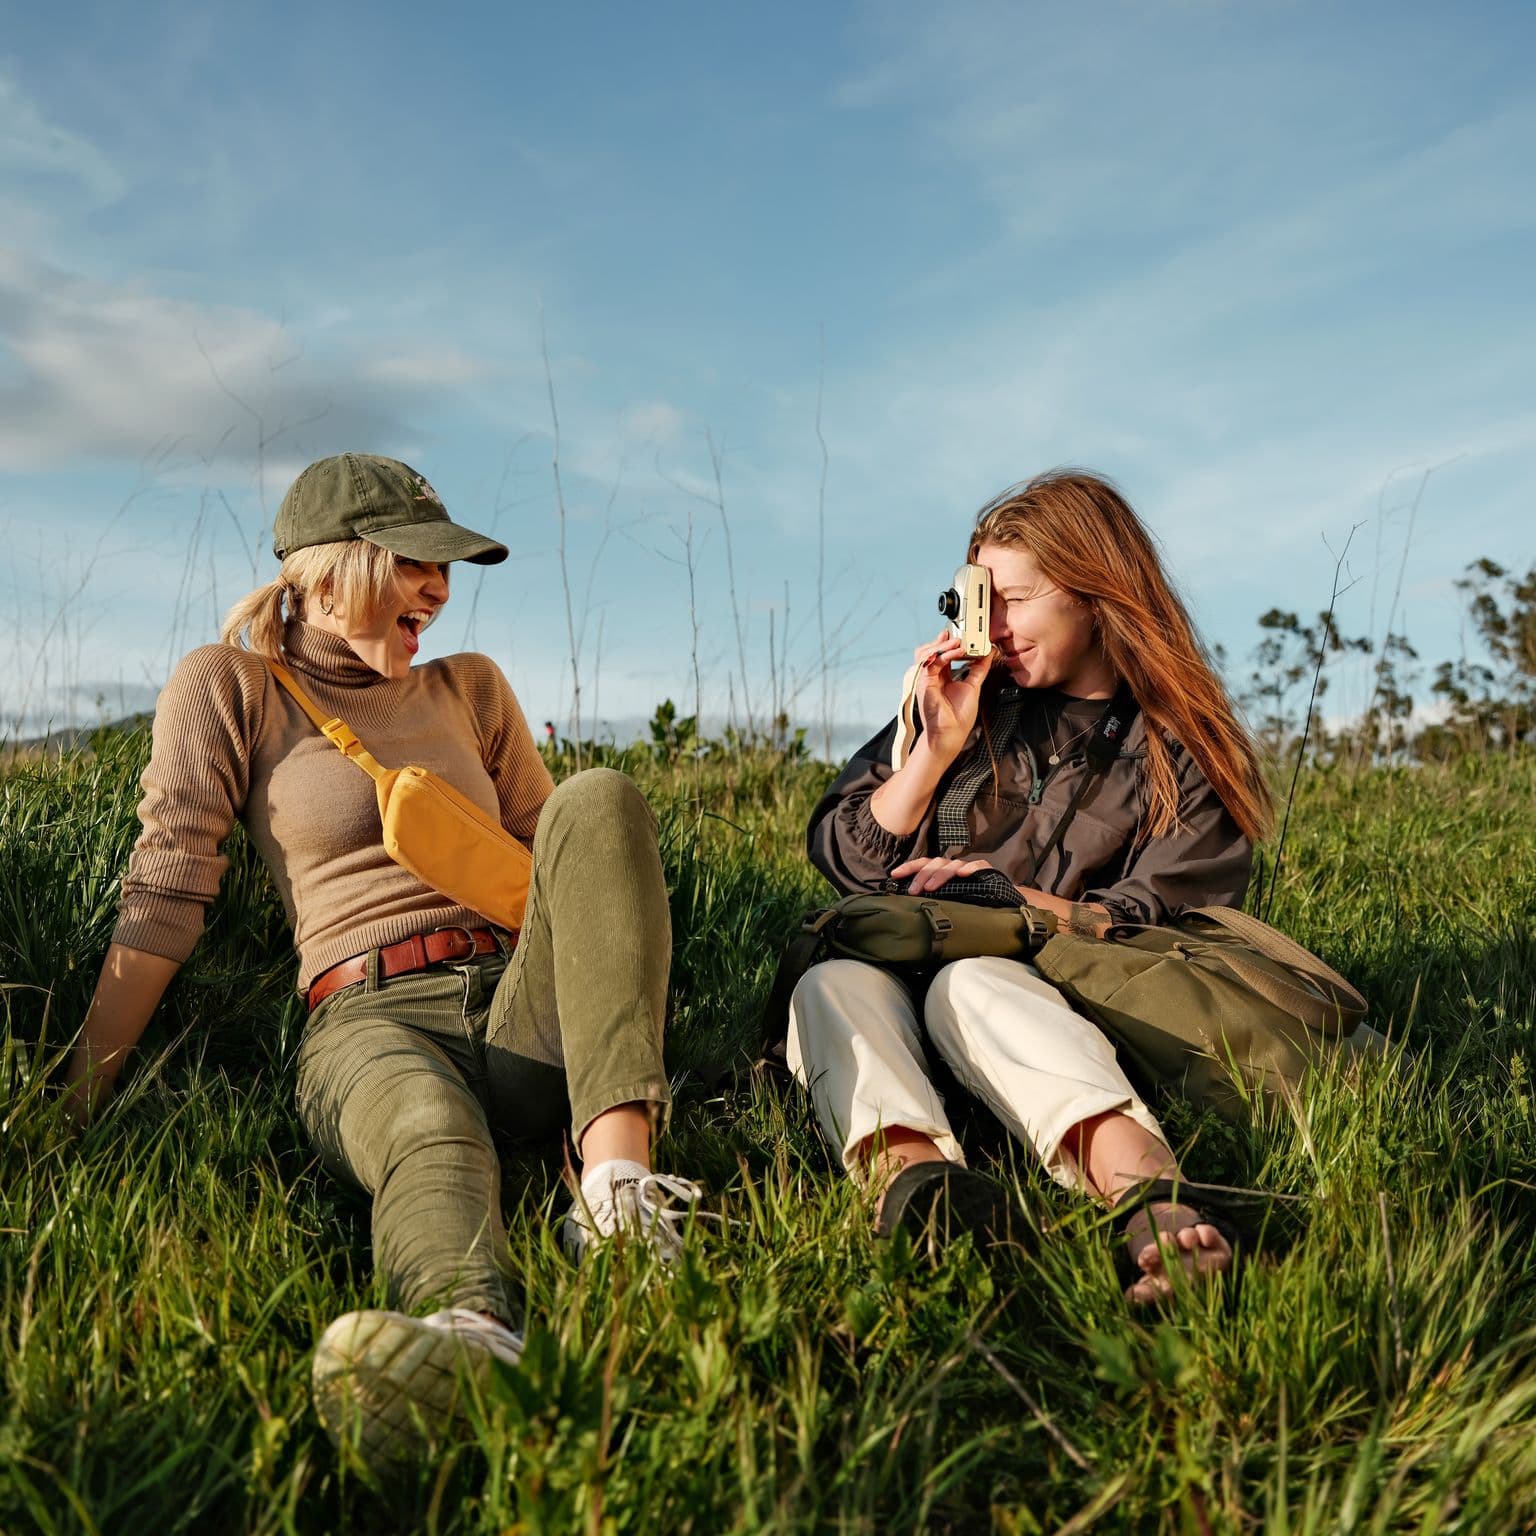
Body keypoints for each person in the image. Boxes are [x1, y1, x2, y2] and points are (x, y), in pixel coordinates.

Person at [63, 453, 701, 1463]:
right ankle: (465, 1339)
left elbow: (570, 869)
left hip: (520, 1002)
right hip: (369, 1017)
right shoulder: (232, 687)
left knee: (600, 800)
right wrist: (77, 1093)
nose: (440, 589)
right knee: (426, 1127)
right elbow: (170, 883)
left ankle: (618, 1201)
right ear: (327, 571)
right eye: (415, 563)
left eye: (447, 569)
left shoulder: (471, 688)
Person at [787, 469, 1273, 1304]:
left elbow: (1163, 914)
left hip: (1046, 1008)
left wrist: (1012, 904)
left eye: (1016, 599)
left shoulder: (1175, 742)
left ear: (1094, 591)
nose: (995, 628)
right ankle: (925, 1197)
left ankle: (1154, 1200)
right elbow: (851, 864)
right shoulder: (966, 703)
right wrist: (935, 748)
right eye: (980, 601)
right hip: (896, 985)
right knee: (828, 980)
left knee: (974, 983)